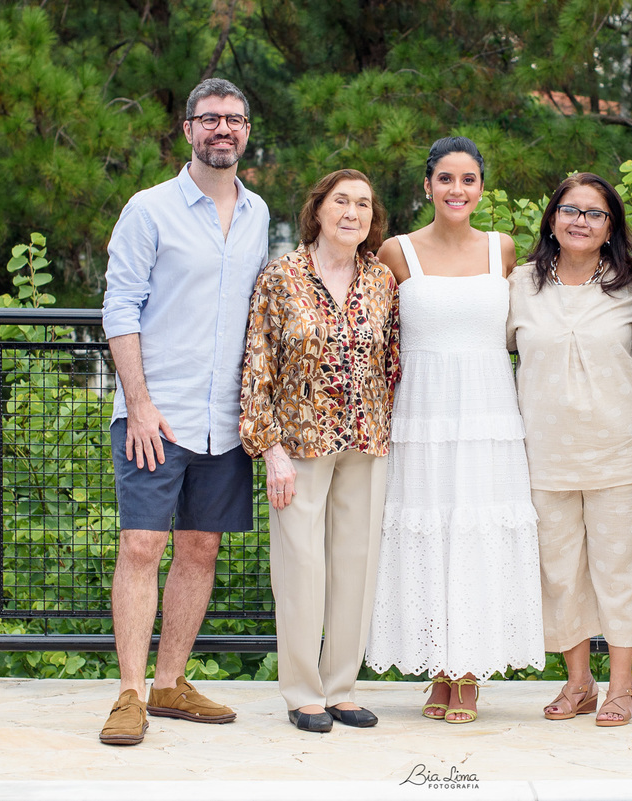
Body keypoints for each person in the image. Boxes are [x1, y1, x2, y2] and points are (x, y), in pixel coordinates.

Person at [98, 77, 269, 746]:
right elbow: (119, 308)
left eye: (233, 119)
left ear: (247, 131)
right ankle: (130, 693)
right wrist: (138, 405)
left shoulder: (259, 214)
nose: (222, 129)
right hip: (155, 414)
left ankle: (170, 682)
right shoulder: (148, 210)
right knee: (142, 544)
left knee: (201, 547)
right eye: (210, 119)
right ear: (187, 128)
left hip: (225, 419)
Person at [365, 136, 545, 724]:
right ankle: (440, 668)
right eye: (446, 179)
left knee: (477, 533)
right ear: (427, 186)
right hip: (422, 414)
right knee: (429, 532)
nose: (457, 190)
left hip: (489, 416)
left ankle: (469, 673)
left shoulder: (504, 250)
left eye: (468, 180)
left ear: (481, 188)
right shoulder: (396, 252)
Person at [239, 169, 399, 733]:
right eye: (341, 201)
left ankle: (342, 688)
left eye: (363, 203)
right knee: (301, 567)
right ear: (319, 209)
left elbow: (394, 361)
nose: (352, 212)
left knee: (355, 567)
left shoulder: (381, 280)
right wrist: (269, 448)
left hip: (366, 439)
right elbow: (257, 365)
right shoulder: (281, 277)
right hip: (299, 444)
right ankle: (304, 692)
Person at [506, 173, 632, 728]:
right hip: (542, 455)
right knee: (559, 572)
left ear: (610, 226)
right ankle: (578, 683)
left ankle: (622, 687)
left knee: (621, 571)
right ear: (551, 218)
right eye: (570, 210)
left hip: (622, 454)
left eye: (594, 213)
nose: (580, 221)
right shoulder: (520, 284)